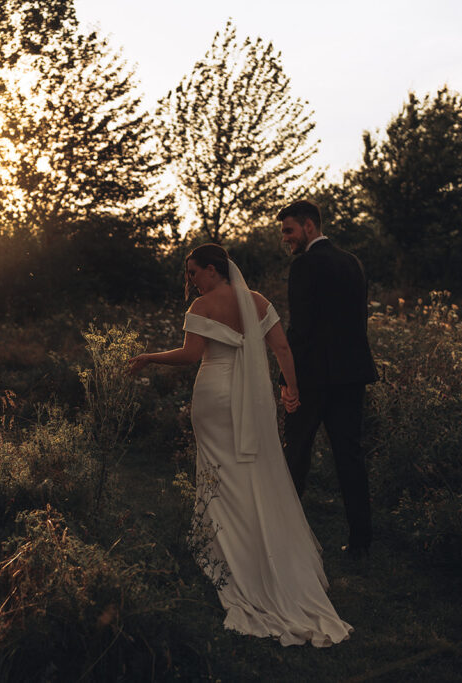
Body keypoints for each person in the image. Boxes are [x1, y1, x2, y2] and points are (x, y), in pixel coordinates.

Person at [128, 243, 351, 647]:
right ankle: (263, 551)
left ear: (214, 270)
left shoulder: (202, 308)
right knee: (255, 468)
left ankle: (227, 551)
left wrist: (150, 357)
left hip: (215, 395)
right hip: (253, 397)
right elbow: (282, 348)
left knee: (219, 471)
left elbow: (191, 355)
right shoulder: (258, 301)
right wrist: (291, 390)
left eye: (194, 272)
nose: (191, 281)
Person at [276, 200, 379, 560]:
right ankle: (361, 542)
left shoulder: (304, 266)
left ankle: (283, 537)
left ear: (308, 226)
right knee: (350, 457)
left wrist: (287, 381)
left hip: (313, 379)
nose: (286, 239)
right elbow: (357, 321)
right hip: (351, 376)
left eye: (289, 230)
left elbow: (300, 329)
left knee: (296, 454)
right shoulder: (352, 262)